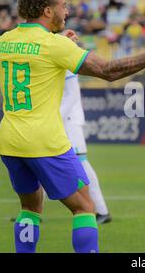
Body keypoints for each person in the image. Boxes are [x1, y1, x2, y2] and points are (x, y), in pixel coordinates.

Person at [0, 0, 145, 253]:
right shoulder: (55, 46)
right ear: (47, 11)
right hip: (44, 140)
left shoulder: (3, 42)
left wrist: (57, 42)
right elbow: (109, 70)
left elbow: (36, 52)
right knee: (85, 207)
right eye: (63, 6)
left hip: (10, 141)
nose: (67, 12)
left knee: (30, 207)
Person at [61, 68, 112, 225]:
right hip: (56, 119)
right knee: (39, 158)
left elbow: (73, 93)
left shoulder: (64, 57)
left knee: (81, 164)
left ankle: (102, 210)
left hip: (68, 121)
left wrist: (57, 116)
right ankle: (33, 210)